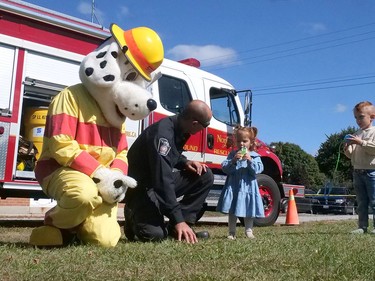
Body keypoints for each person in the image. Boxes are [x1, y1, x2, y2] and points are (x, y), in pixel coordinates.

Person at [124, 100, 214, 243]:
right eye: (205, 125)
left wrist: (185, 162)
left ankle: (180, 229)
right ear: (195, 123)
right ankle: (132, 215)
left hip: (155, 184)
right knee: (155, 235)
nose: (204, 130)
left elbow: (165, 157)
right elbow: (162, 179)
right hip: (141, 190)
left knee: (204, 175)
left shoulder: (179, 128)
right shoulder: (163, 135)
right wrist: (178, 218)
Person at [217, 125, 265, 239]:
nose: (242, 144)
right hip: (234, 186)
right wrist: (233, 161)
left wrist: (250, 161)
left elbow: (258, 170)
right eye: (239, 141)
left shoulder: (255, 156)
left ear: (251, 142)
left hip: (248, 188)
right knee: (232, 210)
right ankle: (231, 232)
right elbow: (225, 168)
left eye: (245, 141)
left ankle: (249, 230)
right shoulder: (233, 155)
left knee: (249, 209)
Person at [344, 101, 375, 234]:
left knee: (374, 201)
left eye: (361, 117)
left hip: (371, 172)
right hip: (357, 172)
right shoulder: (356, 133)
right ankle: (362, 227)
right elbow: (352, 155)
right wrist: (347, 148)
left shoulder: (373, 132)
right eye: (356, 118)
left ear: (372, 117)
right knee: (361, 202)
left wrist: (360, 142)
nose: (358, 120)